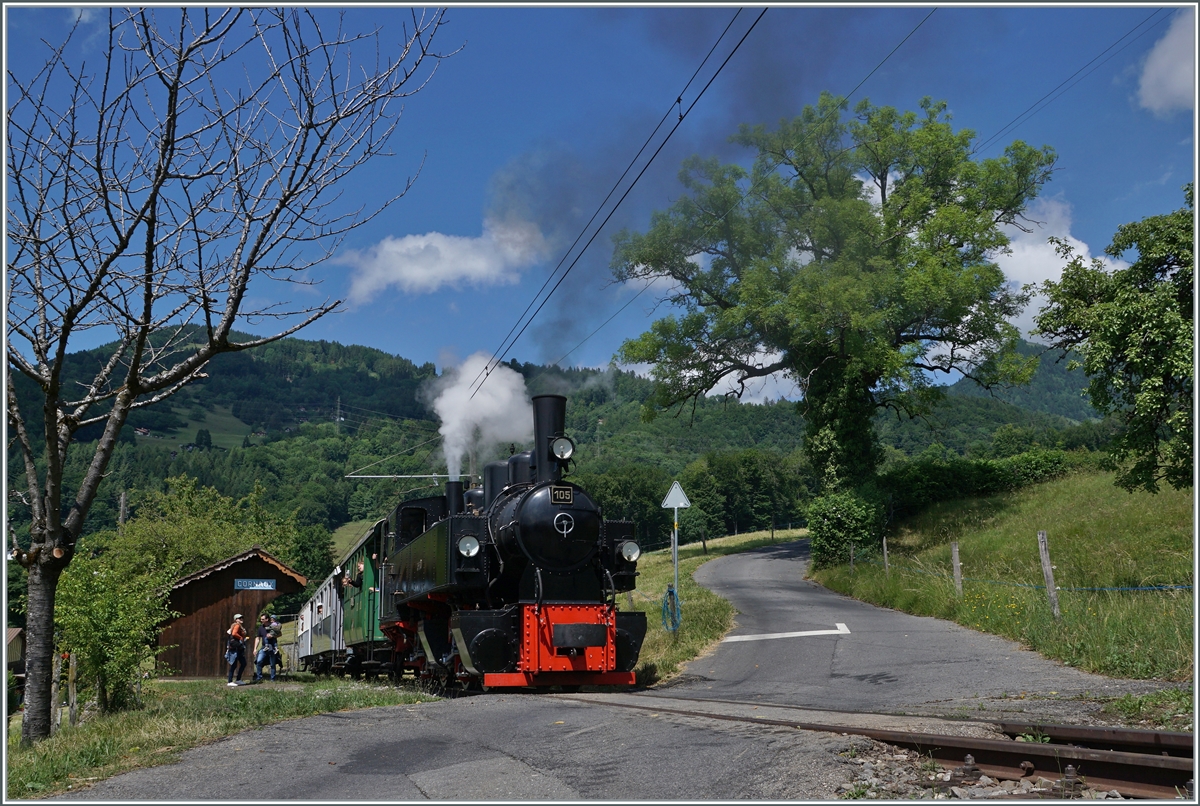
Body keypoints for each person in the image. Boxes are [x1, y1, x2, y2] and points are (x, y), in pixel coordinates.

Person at [253, 614, 280, 681]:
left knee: (272, 664)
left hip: (272, 647)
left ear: (267, 619)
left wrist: (272, 636)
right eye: (261, 619)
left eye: (262, 619)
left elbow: (280, 634)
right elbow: (257, 638)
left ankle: (272, 679)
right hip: (264, 647)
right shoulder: (260, 628)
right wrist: (255, 649)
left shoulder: (273, 625)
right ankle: (259, 677)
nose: (261, 620)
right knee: (259, 661)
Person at [226, 613, 247, 686]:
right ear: (236, 620)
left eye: (242, 618)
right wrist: (240, 637)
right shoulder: (237, 625)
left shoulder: (237, 626)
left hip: (237, 648)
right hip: (236, 648)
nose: (241, 619)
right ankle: (230, 681)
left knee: (243, 663)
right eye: (239, 618)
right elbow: (234, 634)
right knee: (235, 664)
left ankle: (238, 679)